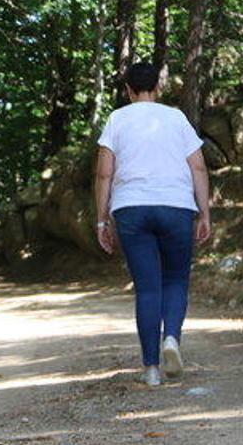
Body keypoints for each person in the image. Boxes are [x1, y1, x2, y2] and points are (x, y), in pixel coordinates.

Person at [94, 62, 211, 387]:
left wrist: (102, 220)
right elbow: (198, 168)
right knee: (175, 279)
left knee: (147, 288)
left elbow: (105, 173)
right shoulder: (176, 118)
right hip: (176, 207)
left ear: (128, 90)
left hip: (131, 208)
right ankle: (171, 338)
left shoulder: (117, 119)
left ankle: (151, 370)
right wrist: (204, 213)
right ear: (157, 88)